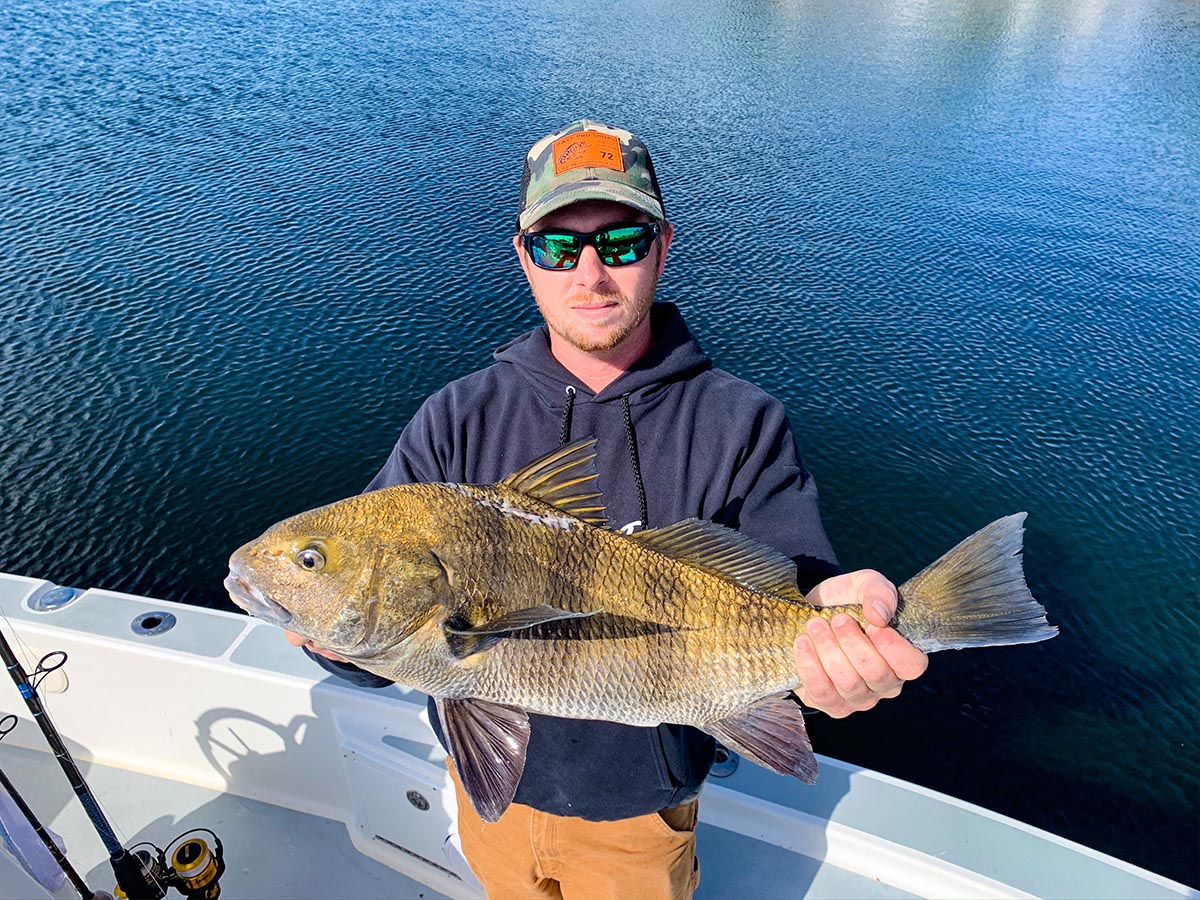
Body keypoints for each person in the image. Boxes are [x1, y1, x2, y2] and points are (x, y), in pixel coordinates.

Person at [288, 119, 929, 899]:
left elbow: (801, 579)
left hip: (640, 820)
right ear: (524, 257)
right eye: (559, 248)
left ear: (662, 245)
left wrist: (836, 624)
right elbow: (369, 623)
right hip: (488, 796)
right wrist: (323, 634)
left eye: (620, 242)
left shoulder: (741, 420)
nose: (590, 273)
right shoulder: (453, 418)